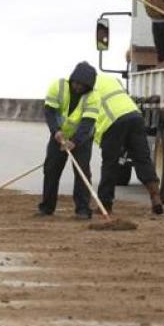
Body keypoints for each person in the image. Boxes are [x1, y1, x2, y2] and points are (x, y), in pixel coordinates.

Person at [93, 72, 163, 215]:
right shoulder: (111, 80)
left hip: (113, 122)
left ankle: (105, 204)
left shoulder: (86, 90)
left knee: (110, 164)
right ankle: (155, 197)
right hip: (135, 117)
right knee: (142, 159)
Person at [37, 62, 101, 220]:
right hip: (58, 136)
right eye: (76, 83)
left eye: (83, 85)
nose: (78, 87)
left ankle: (83, 210)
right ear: (72, 79)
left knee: (82, 172)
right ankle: (46, 207)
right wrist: (56, 132)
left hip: (82, 139)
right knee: (51, 169)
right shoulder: (57, 87)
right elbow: (49, 112)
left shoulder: (93, 97)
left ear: (88, 86)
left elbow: (87, 123)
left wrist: (74, 141)